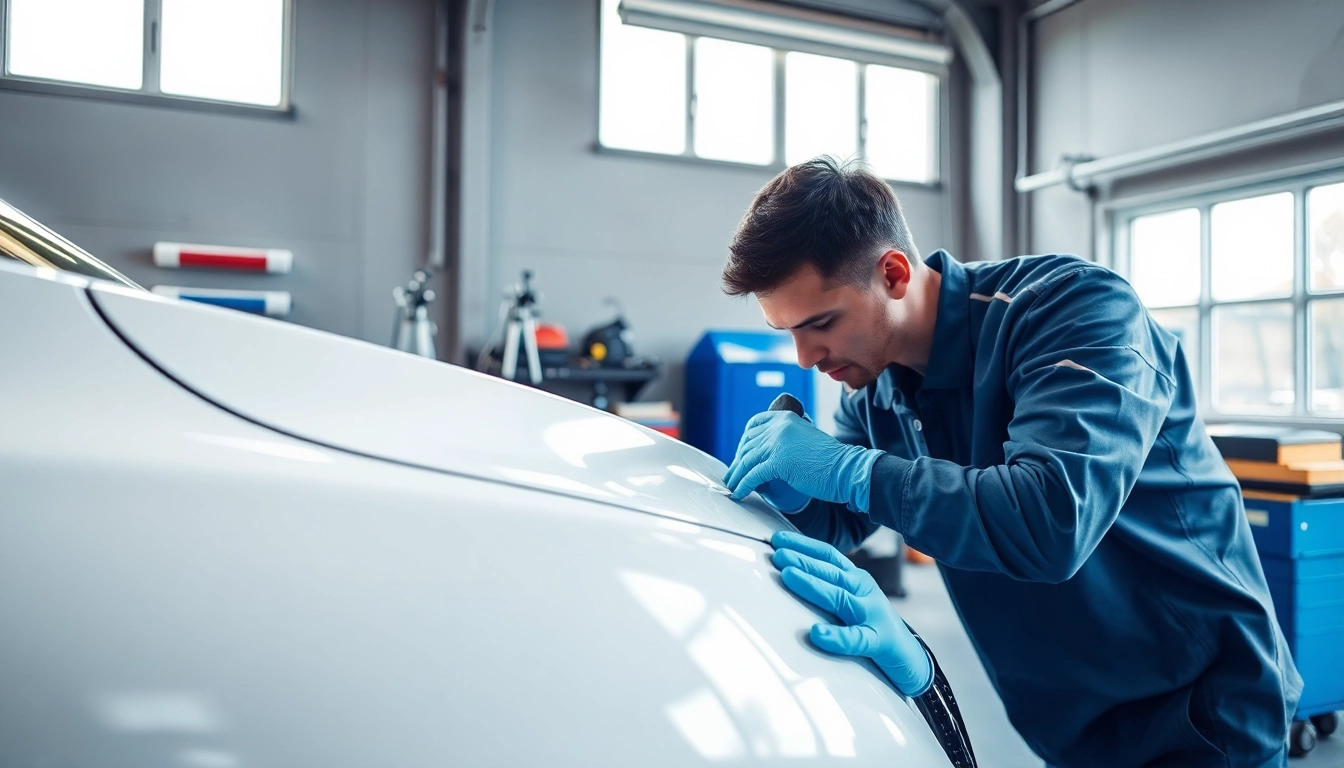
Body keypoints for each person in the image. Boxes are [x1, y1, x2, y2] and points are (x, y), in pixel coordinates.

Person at [723, 156, 1302, 768]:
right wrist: (796, 496)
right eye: (786, 331)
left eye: (820, 323)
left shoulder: (1076, 312)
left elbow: (1050, 522)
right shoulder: (874, 384)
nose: (805, 357)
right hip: (1070, 727)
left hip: (1198, 713)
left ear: (893, 273)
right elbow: (844, 523)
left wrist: (848, 469)